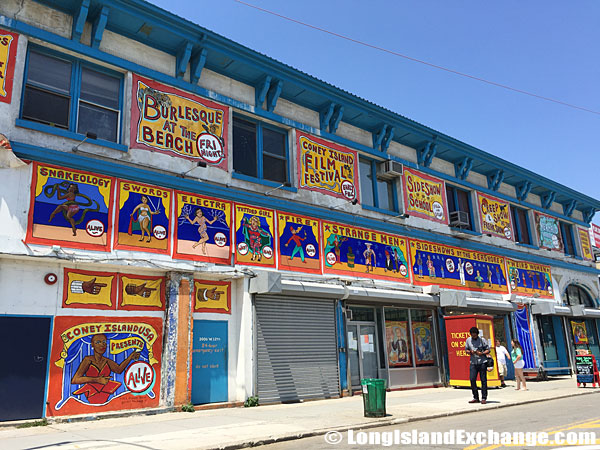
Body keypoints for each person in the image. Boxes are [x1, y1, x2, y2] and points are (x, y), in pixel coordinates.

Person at [71, 334, 141, 404]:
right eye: (98, 342)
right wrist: (97, 380)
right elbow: (75, 380)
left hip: (105, 394)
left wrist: (130, 357)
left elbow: (119, 370)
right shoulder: (88, 360)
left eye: (104, 342)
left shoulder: (106, 360)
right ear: (92, 345)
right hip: (91, 393)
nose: (102, 345)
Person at [465, 326, 490, 404]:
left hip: (482, 362)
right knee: (472, 379)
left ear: (477, 334)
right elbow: (466, 350)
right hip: (473, 363)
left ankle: (484, 398)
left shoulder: (482, 340)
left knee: (483, 380)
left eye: (475, 335)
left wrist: (481, 353)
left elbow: (488, 350)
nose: (473, 336)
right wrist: (470, 352)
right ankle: (475, 397)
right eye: (472, 335)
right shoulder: (468, 340)